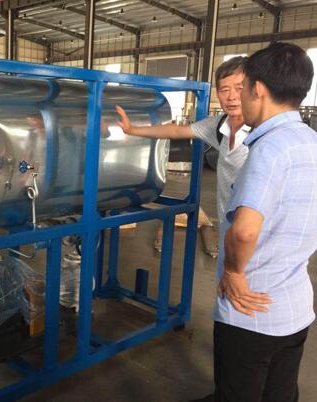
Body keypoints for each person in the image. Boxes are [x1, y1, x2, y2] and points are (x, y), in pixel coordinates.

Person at [197, 42, 317, 402]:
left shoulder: (269, 148)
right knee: (280, 393)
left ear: (258, 90)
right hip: (294, 308)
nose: (237, 97)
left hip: (250, 311)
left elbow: (245, 230)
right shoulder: (310, 140)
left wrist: (234, 273)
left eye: (243, 87)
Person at [116, 56, 249, 221]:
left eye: (239, 88)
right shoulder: (218, 126)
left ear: (254, 90)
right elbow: (176, 131)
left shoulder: (265, 135)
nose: (232, 97)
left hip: (257, 231)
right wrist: (132, 129)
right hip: (228, 226)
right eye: (225, 90)